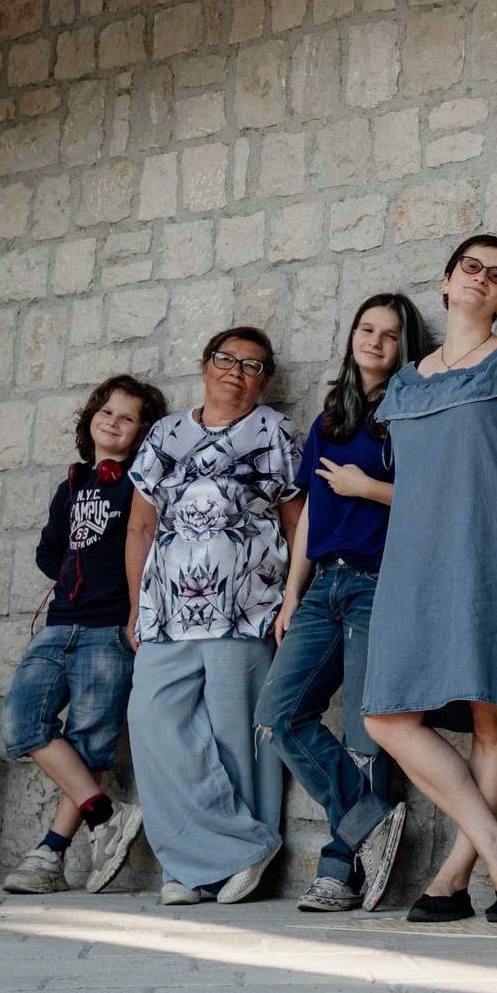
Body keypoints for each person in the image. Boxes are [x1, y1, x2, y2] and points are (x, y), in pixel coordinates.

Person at [363, 236, 497, 925]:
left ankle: (455, 875)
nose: (482, 279)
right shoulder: (404, 384)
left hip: (495, 565)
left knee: (493, 715)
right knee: (385, 715)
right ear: (448, 282)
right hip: (413, 569)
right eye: (471, 268)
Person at [257, 294, 433, 914]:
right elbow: (308, 513)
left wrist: (369, 488)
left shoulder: (412, 408)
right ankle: (371, 819)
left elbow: (434, 495)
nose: (376, 341)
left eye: (390, 334)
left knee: (367, 733)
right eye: (367, 329)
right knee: (280, 716)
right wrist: (292, 592)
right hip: (321, 588)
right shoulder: (330, 415)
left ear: (405, 345)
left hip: (378, 583)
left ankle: (341, 868)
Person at [125, 328, 302, 907]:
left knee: (238, 738)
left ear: (265, 380)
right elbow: (141, 527)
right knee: (155, 726)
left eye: (252, 365)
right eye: (226, 359)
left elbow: (300, 523)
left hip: (246, 609)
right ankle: (210, 855)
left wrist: (295, 599)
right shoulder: (164, 433)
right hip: (167, 612)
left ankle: (227, 868)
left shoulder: (275, 431)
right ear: (205, 365)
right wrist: (136, 605)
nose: (236, 371)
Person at [2, 373, 166, 897]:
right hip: (60, 625)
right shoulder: (72, 485)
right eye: (107, 411)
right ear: (91, 418)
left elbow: (148, 544)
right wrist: (76, 573)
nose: (114, 422)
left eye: (128, 417)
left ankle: (48, 855)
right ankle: (104, 815)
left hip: (110, 629)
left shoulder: (139, 481)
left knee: (90, 746)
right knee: (23, 723)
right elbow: (48, 550)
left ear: (142, 433)